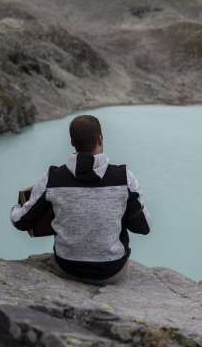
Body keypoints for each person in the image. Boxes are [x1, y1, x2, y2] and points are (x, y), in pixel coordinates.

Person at [10, 114, 151, 284]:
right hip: (111, 270)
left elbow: (21, 222)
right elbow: (143, 227)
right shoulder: (123, 177)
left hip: (67, 267)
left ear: (72, 142)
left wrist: (16, 208)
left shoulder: (53, 178)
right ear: (101, 139)